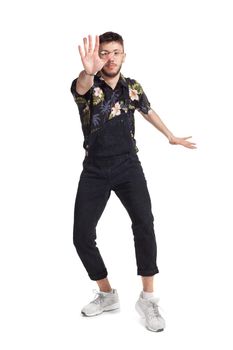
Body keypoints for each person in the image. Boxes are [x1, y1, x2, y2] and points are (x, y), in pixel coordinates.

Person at [70, 32, 196, 332]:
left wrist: (170, 135)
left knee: (144, 223)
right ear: (97, 56)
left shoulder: (131, 86)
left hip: (128, 166)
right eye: (104, 52)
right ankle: (106, 293)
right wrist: (87, 71)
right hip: (95, 170)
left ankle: (148, 299)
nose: (110, 57)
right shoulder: (89, 86)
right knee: (82, 235)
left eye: (116, 52)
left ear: (124, 55)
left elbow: (146, 109)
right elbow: (81, 86)